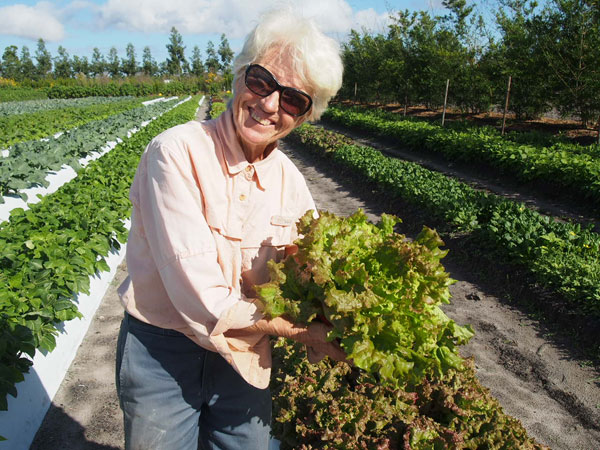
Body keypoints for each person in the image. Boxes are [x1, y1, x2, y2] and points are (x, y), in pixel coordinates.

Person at [115, 8, 345, 450]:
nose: (270, 105)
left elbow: (310, 271)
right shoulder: (176, 153)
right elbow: (198, 294)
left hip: (248, 354)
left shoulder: (291, 183)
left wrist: (343, 313)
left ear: (304, 116)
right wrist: (302, 331)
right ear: (240, 75)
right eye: (261, 81)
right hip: (164, 352)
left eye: (293, 100)